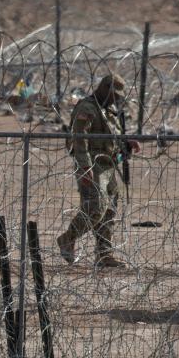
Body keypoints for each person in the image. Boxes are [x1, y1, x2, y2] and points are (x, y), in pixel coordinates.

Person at [57, 74, 138, 268]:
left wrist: (126, 143)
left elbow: (111, 136)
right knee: (96, 207)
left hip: (108, 164)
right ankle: (68, 238)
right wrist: (85, 167)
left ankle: (104, 254)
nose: (116, 99)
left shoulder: (107, 110)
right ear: (104, 89)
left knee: (109, 210)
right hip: (93, 165)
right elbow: (79, 139)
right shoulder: (87, 108)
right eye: (113, 94)